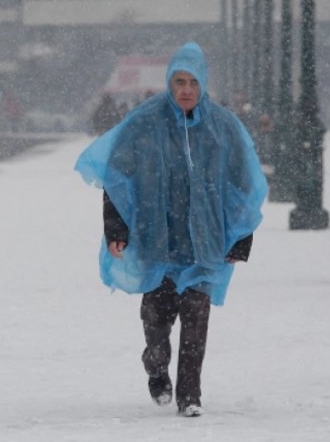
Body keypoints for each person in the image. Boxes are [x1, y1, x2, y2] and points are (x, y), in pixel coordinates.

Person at [75, 42, 268, 417]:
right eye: (179, 81)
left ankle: (190, 396)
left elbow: (244, 186)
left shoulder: (223, 127)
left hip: (205, 242)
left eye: (193, 82)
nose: (186, 90)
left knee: (196, 318)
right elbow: (117, 177)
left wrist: (241, 238)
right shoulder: (145, 123)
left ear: (203, 84)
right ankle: (156, 365)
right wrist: (117, 228)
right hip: (157, 241)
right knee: (157, 321)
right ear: (169, 82)